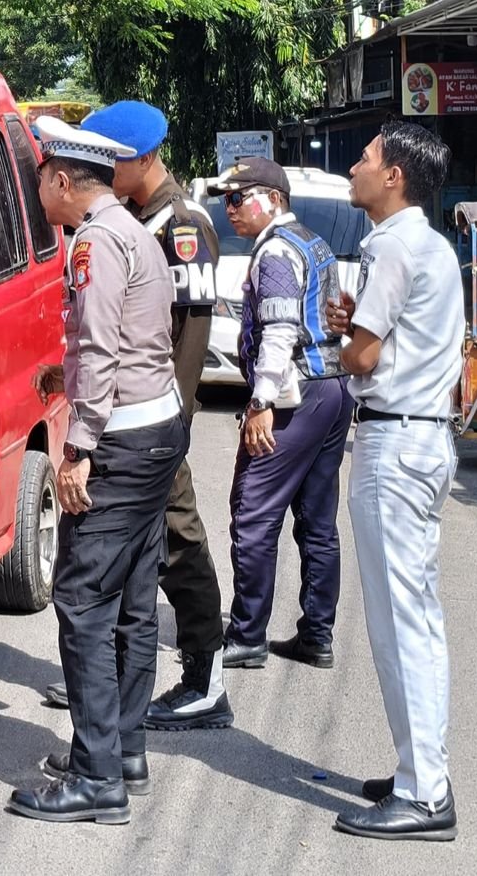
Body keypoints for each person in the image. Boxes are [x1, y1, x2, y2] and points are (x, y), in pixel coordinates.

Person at [7, 122, 187, 826]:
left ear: (61, 181)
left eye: (40, 179)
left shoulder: (94, 241)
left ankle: (96, 776)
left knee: (83, 601)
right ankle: (124, 752)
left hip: (121, 441)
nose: (39, 191)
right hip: (157, 428)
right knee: (133, 598)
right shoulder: (134, 229)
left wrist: (77, 448)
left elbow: (101, 342)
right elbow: (133, 339)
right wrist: (69, 375)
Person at [36, 101, 232, 729]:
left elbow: (185, 338)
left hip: (151, 417)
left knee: (179, 542)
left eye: (112, 160)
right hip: (135, 414)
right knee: (129, 561)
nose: (100, 170)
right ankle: (109, 684)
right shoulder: (134, 220)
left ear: (142, 159)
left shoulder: (181, 224)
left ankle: (204, 675)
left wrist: (171, 423)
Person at [326, 121, 463, 842]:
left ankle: (424, 791)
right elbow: (388, 338)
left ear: (395, 177)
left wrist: (343, 343)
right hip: (422, 438)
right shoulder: (430, 245)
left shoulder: (392, 245)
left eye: (365, 158)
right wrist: (358, 331)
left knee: (399, 623)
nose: (355, 167)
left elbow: (363, 358)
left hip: (396, 442)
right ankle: (423, 770)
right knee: (416, 618)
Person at [204, 157, 353, 672]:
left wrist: (260, 402)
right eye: (226, 200)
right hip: (332, 389)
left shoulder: (274, 252)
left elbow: (280, 330)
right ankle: (317, 634)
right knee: (317, 520)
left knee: (253, 512)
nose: (230, 210)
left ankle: (247, 636)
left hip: (295, 395)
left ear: (272, 199)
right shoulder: (313, 242)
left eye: (237, 199)